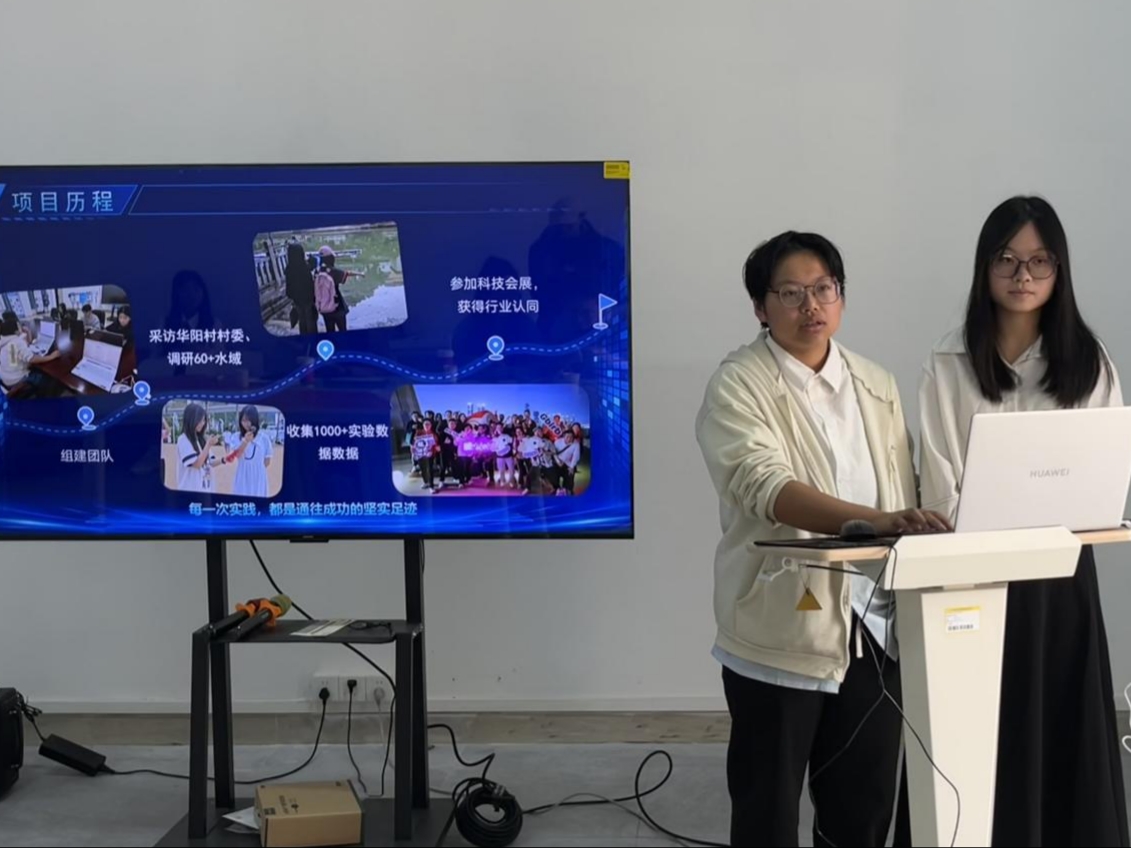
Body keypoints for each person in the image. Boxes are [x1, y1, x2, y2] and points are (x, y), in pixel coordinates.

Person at [695, 231, 949, 848]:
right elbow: (765, 486)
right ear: (760, 307)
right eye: (790, 293)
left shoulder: (875, 382)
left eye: (823, 289)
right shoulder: (739, 384)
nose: (811, 305)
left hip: (874, 629)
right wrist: (876, 520)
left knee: (861, 814)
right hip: (779, 635)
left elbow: (906, 486)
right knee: (767, 816)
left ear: (841, 296)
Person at [901, 196, 1127, 848]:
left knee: (1060, 733)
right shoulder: (948, 362)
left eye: (1038, 261)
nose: (1022, 275)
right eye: (1006, 259)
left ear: (1059, 270)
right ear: (985, 268)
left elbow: (1103, 478)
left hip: (1062, 580)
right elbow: (940, 487)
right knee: (971, 732)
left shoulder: (1088, 359)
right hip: (973, 578)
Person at [0, 313, 62, 396]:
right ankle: (44, 397)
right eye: (19, 326)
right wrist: (52, 356)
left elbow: (17, 356)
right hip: (17, 380)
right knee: (47, 377)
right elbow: (32, 359)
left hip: (6, 379)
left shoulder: (6, 342)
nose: (21, 327)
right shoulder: (17, 342)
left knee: (35, 368)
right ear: (16, 331)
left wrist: (28, 332)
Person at [229, 405, 274, 498]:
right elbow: (237, 455)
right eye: (243, 420)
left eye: (249, 420)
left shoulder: (264, 438)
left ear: (254, 420)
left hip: (259, 477)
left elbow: (267, 461)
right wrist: (245, 441)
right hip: (242, 475)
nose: (246, 423)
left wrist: (256, 468)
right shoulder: (236, 437)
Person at [176, 403, 218, 492]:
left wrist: (225, 459)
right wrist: (208, 445)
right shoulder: (183, 439)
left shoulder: (200, 439)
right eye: (200, 420)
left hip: (205, 488)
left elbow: (211, 461)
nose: (202, 423)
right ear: (192, 420)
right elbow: (197, 464)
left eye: (204, 420)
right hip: (190, 489)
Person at [284, 242, 318, 335]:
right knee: (310, 320)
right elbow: (314, 263)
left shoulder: (289, 269)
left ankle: (304, 338)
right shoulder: (305, 267)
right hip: (308, 299)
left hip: (297, 300)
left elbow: (288, 288)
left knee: (302, 320)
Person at [412, 419, 440, 491]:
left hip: (429, 454)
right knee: (423, 469)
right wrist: (414, 450)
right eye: (425, 424)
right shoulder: (419, 432)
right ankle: (426, 482)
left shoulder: (433, 434)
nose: (427, 426)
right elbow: (415, 443)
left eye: (428, 424)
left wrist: (436, 449)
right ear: (423, 425)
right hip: (420, 454)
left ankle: (431, 486)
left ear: (431, 425)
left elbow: (435, 444)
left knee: (429, 470)